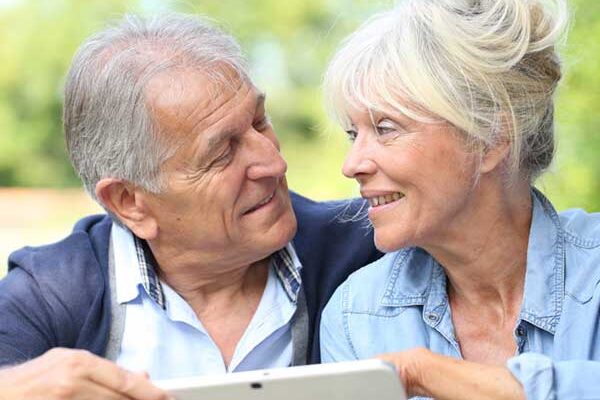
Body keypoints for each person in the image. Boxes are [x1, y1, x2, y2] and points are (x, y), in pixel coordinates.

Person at [0, 13, 381, 399]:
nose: (273, 163)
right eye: (222, 153)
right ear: (129, 202)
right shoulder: (53, 292)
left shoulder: (365, 250)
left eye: (259, 121)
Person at [320, 0, 600, 399]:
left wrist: (425, 372)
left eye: (385, 128)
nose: (352, 165)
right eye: (353, 134)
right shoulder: (356, 316)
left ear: (491, 139)